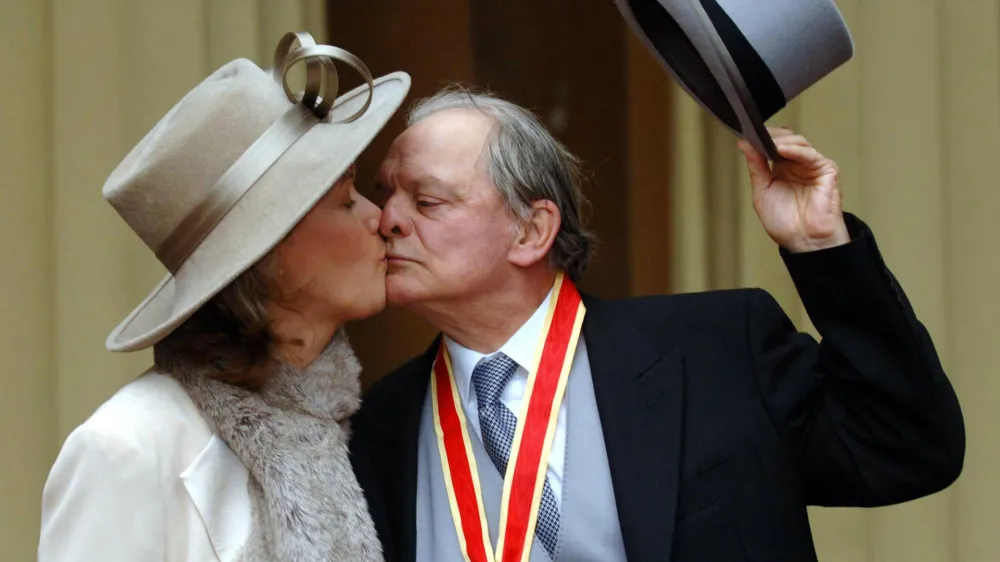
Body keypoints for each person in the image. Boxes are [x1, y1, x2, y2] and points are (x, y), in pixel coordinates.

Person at [347, 87, 966, 562]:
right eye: (386, 193)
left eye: (426, 201)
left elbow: (906, 448)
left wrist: (820, 246)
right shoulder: (378, 426)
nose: (387, 219)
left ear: (532, 231)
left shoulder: (719, 350)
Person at [37, 31, 410, 562]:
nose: (380, 218)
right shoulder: (128, 446)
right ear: (270, 257)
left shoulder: (353, 431)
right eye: (345, 201)